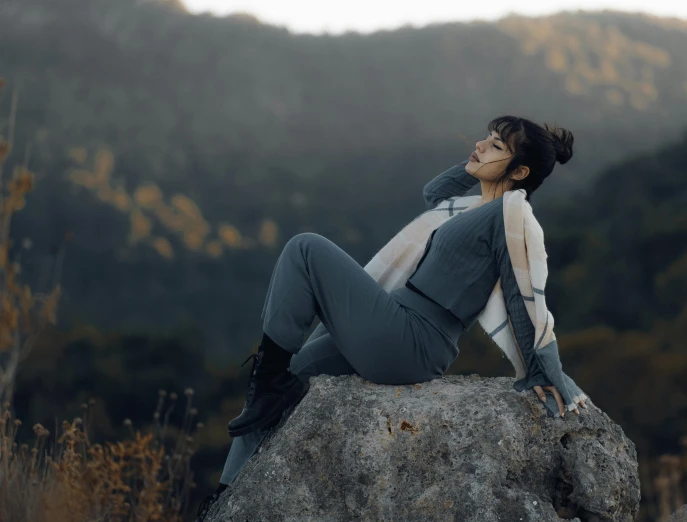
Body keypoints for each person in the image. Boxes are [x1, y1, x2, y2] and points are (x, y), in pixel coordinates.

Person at [195, 115, 588, 521]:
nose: (481, 144)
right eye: (486, 138)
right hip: (399, 320)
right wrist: (480, 164)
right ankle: (225, 497)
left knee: (305, 249)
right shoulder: (475, 206)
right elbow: (434, 191)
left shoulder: (512, 216)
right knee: (282, 385)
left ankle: (267, 378)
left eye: (497, 146)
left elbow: (525, 294)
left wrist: (543, 370)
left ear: (520, 171)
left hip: (413, 336)